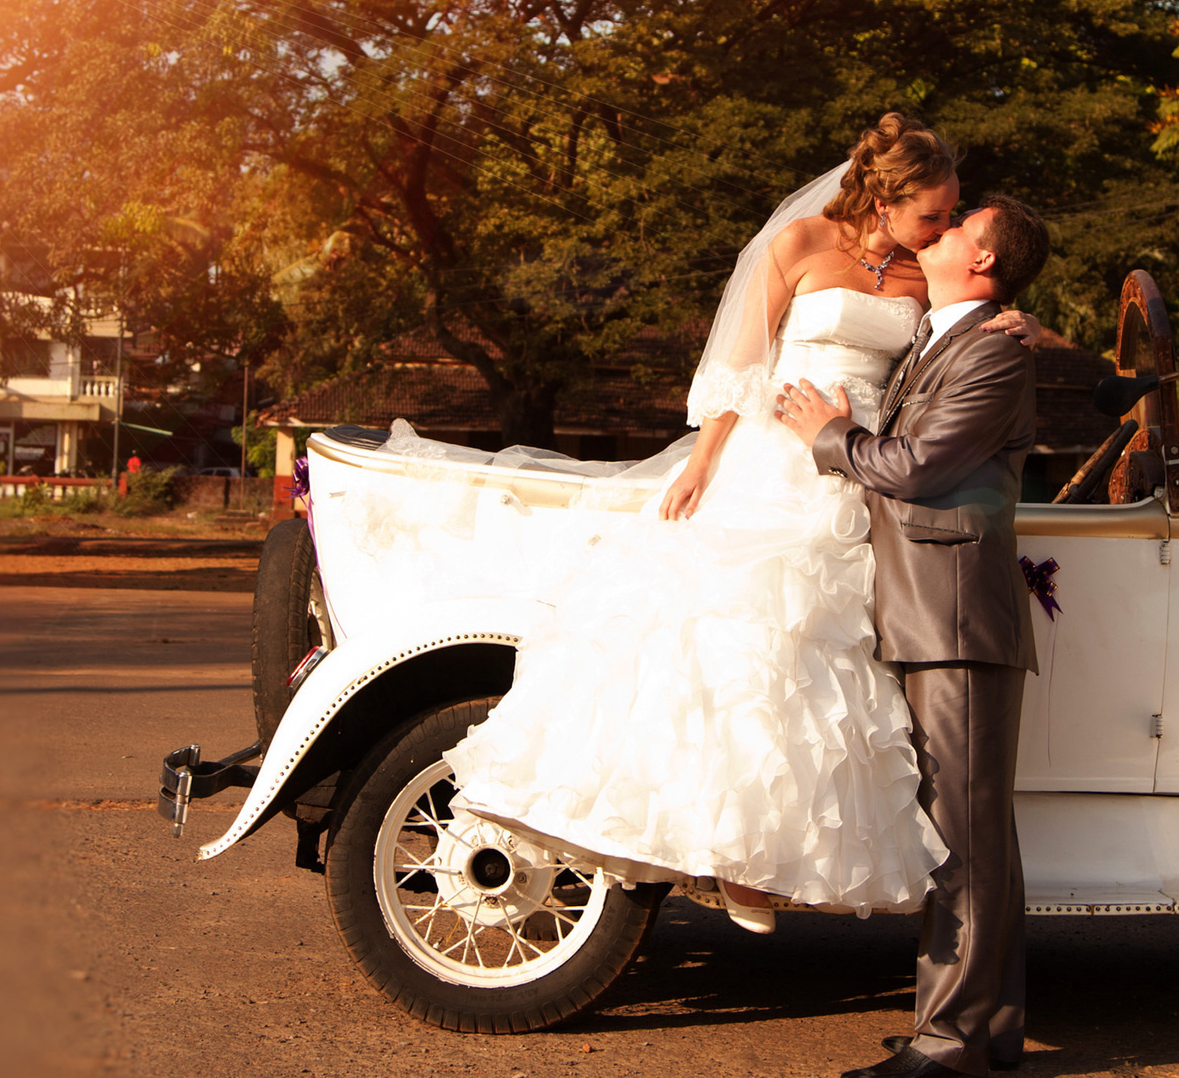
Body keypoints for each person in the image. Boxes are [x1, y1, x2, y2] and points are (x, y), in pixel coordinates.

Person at [440, 114, 1036, 932]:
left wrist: (1016, 319)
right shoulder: (798, 244)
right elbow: (743, 360)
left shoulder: (920, 278)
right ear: (888, 199)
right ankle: (701, 837)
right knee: (729, 638)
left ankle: (763, 857)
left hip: (857, 473)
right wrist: (704, 459)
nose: (940, 230)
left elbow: (958, 341)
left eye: (948, 219)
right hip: (771, 453)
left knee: (811, 666)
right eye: (931, 215)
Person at [774, 193, 1049, 1078]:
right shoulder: (949, 334)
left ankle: (948, 1036)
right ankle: (994, 1023)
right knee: (974, 827)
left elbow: (917, 467)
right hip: (929, 609)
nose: (940, 230)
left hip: (957, 615)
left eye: (960, 227)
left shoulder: (993, 354)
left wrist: (829, 435)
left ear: (983, 263)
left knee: (962, 837)